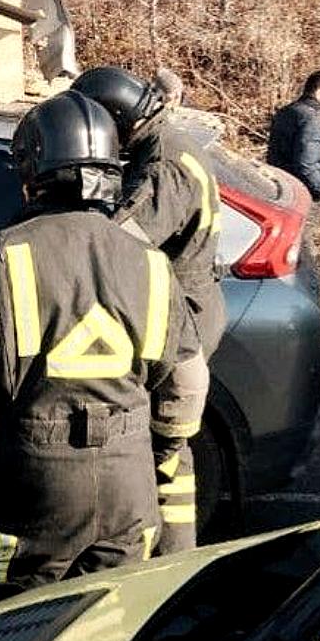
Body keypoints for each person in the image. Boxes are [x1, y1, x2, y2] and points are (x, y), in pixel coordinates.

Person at [0, 92, 208, 588]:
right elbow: (186, 384)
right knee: (108, 620)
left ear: (33, 172)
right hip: (130, 486)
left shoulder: (4, 255)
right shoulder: (151, 263)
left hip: (36, 486)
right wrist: (158, 446)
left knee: (8, 627)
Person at [72, 65, 226, 550]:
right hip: (179, 312)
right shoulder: (166, 142)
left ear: (116, 123)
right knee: (169, 455)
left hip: (176, 320)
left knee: (156, 450)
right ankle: (170, 559)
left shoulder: (162, 164)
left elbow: (124, 244)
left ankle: (161, 563)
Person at [267, 69, 320, 204]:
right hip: (302, 192)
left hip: (279, 184)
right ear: (319, 93)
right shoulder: (312, 119)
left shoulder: (286, 111)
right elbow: (306, 163)